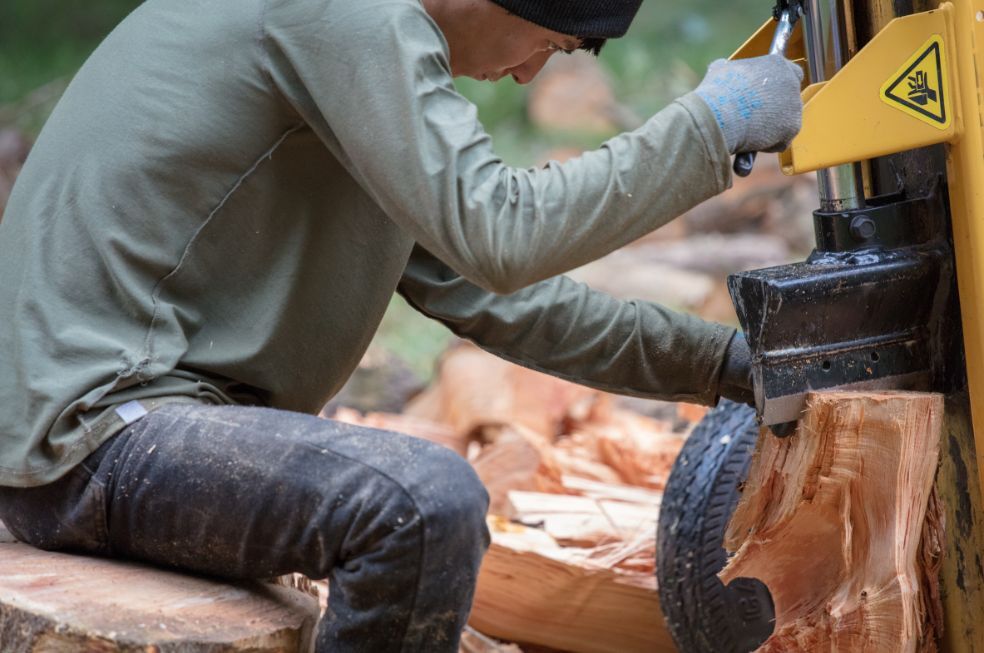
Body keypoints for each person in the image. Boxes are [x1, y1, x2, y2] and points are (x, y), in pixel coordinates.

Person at [0, 0, 803, 650]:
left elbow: (505, 300)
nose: (528, 72)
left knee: (418, 500)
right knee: (418, 506)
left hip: (116, 430)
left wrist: (734, 363)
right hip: (97, 431)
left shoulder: (351, 56)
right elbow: (506, 234)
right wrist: (710, 125)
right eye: (553, 45)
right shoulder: (348, 16)